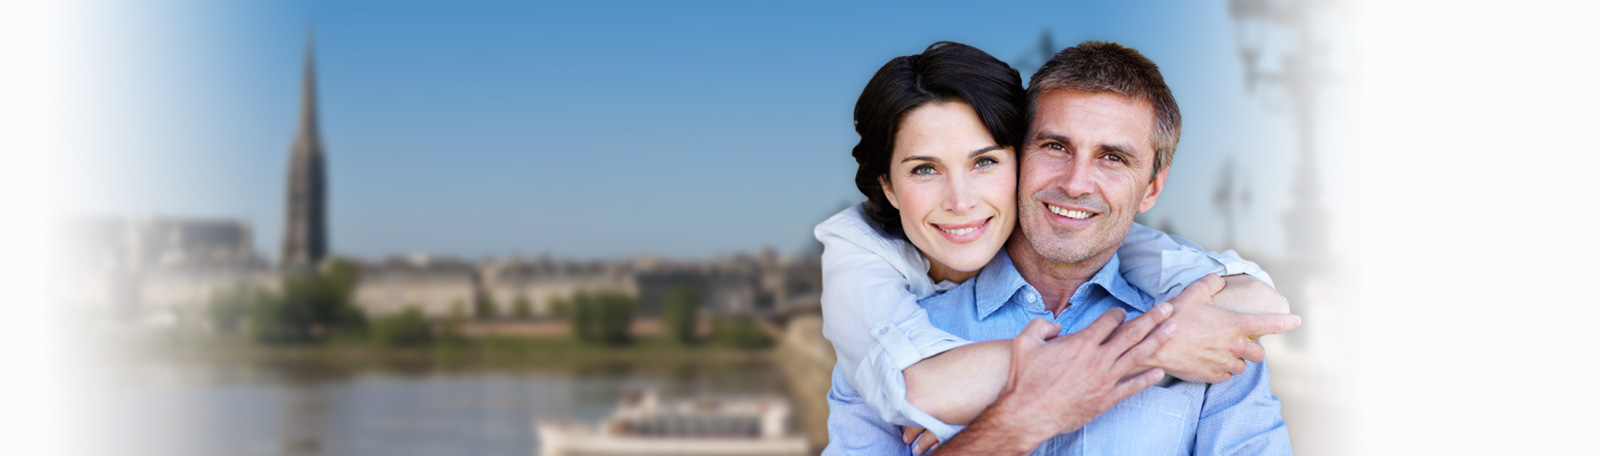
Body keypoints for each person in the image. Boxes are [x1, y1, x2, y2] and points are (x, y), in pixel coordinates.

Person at [820, 41, 1294, 455]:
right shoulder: (891, 341)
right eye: (1054, 146)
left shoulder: (1208, 334)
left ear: (1151, 188)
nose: (1075, 183)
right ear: (1019, 154)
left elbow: (1254, 297)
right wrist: (1018, 421)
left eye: (1113, 157)